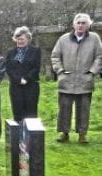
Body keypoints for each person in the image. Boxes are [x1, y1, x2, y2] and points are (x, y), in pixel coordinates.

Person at [51, 13, 102, 144]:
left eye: (83, 23)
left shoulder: (95, 39)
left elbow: (99, 57)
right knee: (64, 108)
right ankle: (64, 133)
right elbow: (55, 56)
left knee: (84, 109)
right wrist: (60, 71)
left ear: (88, 25)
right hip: (66, 79)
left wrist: (92, 72)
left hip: (85, 80)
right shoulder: (63, 39)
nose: (80, 25)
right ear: (74, 25)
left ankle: (82, 134)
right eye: (78, 23)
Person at [5, 26, 41, 123]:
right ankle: (19, 136)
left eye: (22, 39)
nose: (20, 41)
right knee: (18, 113)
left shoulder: (35, 51)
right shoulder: (11, 52)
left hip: (31, 86)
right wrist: (18, 80)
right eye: (18, 39)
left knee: (31, 114)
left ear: (28, 39)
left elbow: (36, 68)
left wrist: (26, 79)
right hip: (15, 87)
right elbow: (8, 69)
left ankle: (30, 137)